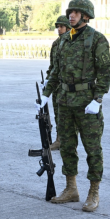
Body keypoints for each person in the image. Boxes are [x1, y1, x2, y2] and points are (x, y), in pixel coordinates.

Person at [38, 0, 110, 212]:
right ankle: (71, 188)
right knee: (68, 148)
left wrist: (98, 99)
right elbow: (55, 72)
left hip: (87, 103)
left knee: (92, 148)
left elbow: (106, 73)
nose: (71, 15)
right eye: (70, 12)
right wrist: (45, 95)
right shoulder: (64, 40)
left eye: (76, 12)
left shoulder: (96, 39)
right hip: (64, 102)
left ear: (86, 16)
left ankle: (94, 191)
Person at [44, 15, 72, 150]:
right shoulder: (56, 44)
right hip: (57, 85)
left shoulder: (73, 42)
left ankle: (70, 142)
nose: (59, 29)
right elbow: (53, 65)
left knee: (70, 116)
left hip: (69, 86)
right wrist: (48, 80)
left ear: (68, 27)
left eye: (61, 26)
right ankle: (59, 139)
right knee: (58, 113)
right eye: (58, 27)